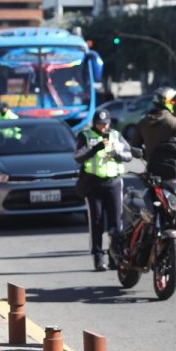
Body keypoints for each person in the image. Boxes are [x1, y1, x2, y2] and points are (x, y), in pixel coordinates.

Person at [75, 109, 133, 271]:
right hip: (94, 184)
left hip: (113, 183)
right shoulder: (85, 136)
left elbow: (128, 154)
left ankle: (115, 256)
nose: (103, 127)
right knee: (97, 222)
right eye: (100, 124)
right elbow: (78, 157)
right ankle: (98, 258)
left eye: (105, 123)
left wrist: (117, 154)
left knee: (116, 222)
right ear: (94, 123)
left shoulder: (116, 135)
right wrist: (95, 149)